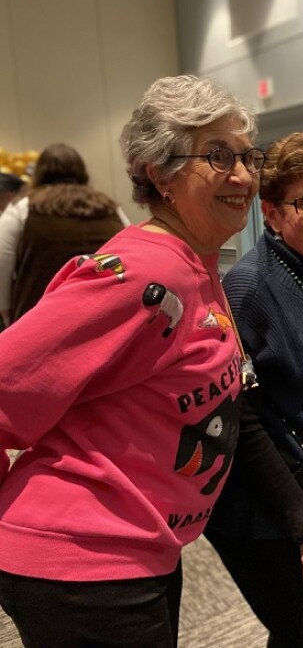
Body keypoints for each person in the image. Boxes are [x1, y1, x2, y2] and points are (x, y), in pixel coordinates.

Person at [0, 74, 261, 647]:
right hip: (86, 559)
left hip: (140, 548)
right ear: (160, 173)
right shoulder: (145, 273)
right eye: (218, 156)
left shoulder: (197, 265)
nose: (243, 176)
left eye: (248, 156)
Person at [204, 132, 303, 647]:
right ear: (270, 212)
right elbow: (241, 422)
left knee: (302, 635)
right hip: (262, 511)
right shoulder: (247, 289)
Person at [0, 145, 131, 327]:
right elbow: (132, 252)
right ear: (82, 172)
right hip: (104, 315)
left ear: (39, 173)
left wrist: (7, 314)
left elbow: (2, 265)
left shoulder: (23, 208)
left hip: (41, 319)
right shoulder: (110, 208)